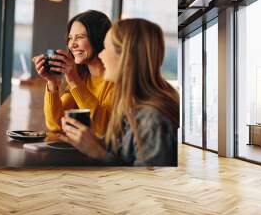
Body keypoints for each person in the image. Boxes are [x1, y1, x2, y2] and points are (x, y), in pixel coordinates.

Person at [58, 18, 180, 166]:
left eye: (106, 48)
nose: (101, 55)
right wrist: (93, 142)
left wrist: (99, 153)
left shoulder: (152, 120)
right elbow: (124, 154)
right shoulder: (131, 105)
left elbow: (147, 184)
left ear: (125, 56)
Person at [32, 10, 114, 137]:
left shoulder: (116, 80)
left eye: (80, 37)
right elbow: (56, 124)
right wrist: (52, 81)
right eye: (70, 38)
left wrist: (74, 80)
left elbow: (102, 130)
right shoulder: (83, 77)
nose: (72, 45)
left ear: (99, 38)